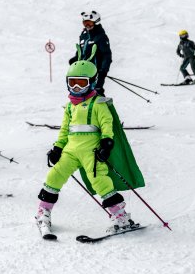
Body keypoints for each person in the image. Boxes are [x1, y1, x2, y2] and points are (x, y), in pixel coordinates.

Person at [35, 60, 144, 236]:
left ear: (91, 82)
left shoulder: (98, 103)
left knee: (100, 181)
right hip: (70, 150)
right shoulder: (70, 106)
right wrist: (57, 148)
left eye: (81, 83)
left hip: (91, 151)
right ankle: (43, 212)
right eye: (72, 83)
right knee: (54, 176)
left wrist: (106, 143)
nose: (76, 88)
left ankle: (120, 216)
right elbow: (65, 130)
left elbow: (106, 124)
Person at [68, 10, 112, 95]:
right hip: (82, 71)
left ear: (96, 22)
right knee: (79, 93)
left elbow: (107, 56)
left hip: (94, 72)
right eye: (85, 23)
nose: (87, 25)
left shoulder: (101, 37)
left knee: (95, 93)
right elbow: (81, 51)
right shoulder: (83, 35)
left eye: (89, 23)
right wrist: (75, 59)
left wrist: (103, 71)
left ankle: (102, 106)